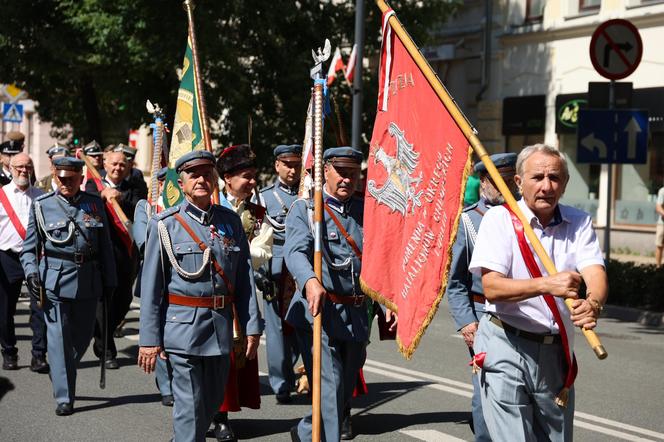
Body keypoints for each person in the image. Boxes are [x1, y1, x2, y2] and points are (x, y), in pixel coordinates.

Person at [469, 144, 608, 441]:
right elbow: (492, 287)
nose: (547, 186)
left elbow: (595, 271)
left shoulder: (579, 222)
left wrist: (593, 303)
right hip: (506, 341)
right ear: (519, 182)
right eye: (538, 177)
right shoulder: (499, 219)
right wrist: (546, 284)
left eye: (555, 178)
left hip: (555, 350)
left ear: (565, 183)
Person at [137, 150, 262, 442]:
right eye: (194, 175)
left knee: (211, 402)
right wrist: (149, 340)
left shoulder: (230, 223)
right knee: (189, 408)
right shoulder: (164, 225)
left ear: (215, 180)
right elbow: (152, 288)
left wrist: (252, 326)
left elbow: (243, 279)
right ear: (181, 184)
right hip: (182, 331)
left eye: (208, 174)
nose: (202, 180)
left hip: (220, 329)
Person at [285, 147, 371, 442]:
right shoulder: (307, 209)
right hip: (319, 312)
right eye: (341, 172)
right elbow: (294, 252)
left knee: (341, 392)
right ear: (325, 171)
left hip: (356, 315)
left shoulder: (366, 210)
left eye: (353, 173)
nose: (347, 179)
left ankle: (307, 430)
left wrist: (389, 302)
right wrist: (309, 280)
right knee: (330, 389)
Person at [20, 156, 117, 416]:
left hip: (89, 280)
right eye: (61, 178)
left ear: (81, 178)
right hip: (54, 281)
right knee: (59, 337)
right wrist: (31, 273)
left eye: (71, 179)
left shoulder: (94, 205)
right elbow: (29, 249)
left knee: (82, 338)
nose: (65, 183)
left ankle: (62, 367)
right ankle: (64, 396)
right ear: (54, 176)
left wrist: (111, 280)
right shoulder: (42, 206)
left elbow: (105, 245)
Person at [446, 153, 518, 442]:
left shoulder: (526, 216)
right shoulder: (468, 221)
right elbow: (457, 281)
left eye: (508, 179)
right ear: (484, 182)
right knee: (486, 386)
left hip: (523, 316)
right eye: (495, 180)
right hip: (484, 316)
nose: (503, 187)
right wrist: (467, 323)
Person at [214, 144, 270, 442]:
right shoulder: (207, 206)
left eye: (253, 177)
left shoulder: (257, 214)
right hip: (207, 292)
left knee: (232, 356)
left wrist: (234, 251)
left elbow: (264, 249)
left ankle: (221, 415)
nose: (252, 182)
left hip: (239, 294)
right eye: (246, 176)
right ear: (227, 178)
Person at [90, 149, 145, 368]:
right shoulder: (93, 185)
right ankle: (107, 351)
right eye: (114, 164)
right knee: (104, 300)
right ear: (105, 163)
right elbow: (88, 208)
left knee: (123, 301)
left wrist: (119, 198)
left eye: (123, 164)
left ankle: (101, 332)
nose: (118, 168)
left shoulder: (135, 186)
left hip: (126, 252)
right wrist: (101, 196)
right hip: (102, 252)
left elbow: (138, 207)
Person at [258, 144, 303, 405]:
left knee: (300, 326)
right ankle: (280, 382)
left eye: (296, 164)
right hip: (276, 270)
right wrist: (260, 274)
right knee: (276, 330)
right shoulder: (264, 197)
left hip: (302, 271)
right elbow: (258, 239)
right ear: (277, 165)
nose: (292, 169)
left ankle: (294, 369)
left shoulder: (307, 195)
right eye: (287, 164)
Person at [0, 153, 48, 373]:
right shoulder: (1, 196)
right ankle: (9, 352)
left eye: (28, 167)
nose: (23, 171)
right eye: (19, 167)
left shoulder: (42, 198)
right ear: (9, 168)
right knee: (4, 310)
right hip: (6, 258)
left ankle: (39, 355)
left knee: (40, 309)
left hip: (35, 258)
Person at [132, 166, 173, 406]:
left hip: (181, 282)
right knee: (157, 331)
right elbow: (143, 243)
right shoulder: (145, 207)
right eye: (162, 181)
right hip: (156, 280)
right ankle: (166, 385)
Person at [656, 185, 664, 268]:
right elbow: (658, 207)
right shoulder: (662, 191)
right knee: (659, 245)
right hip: (662, 223)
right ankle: (658, 267)